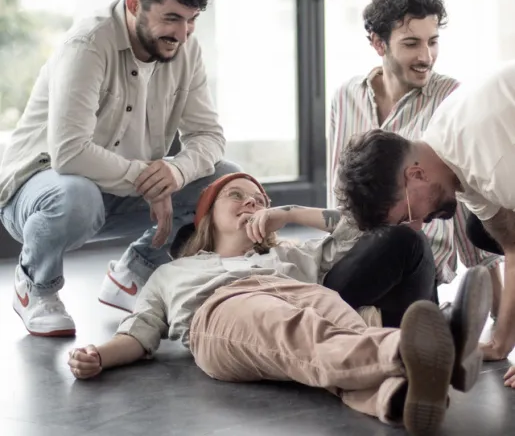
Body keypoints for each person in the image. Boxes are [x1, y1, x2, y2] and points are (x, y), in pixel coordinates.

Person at [66, 172, 492, 436]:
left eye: (259, 199)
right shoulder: (172, 273)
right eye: (236, 195)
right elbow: (139, 333)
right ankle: (419, 350)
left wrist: (287, 212)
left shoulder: (289, 254)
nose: (251, 202)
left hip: (303, 294)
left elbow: (357, 229)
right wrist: (97, 356)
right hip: (223, 310)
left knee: (340, 335)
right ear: (206, 216)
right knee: (303, 334)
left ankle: (400, 395)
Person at [0, 0, 240, 338]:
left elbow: (209, 136)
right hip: (41, 192)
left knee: (224, 182)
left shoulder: (186, 49)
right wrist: (149, 179)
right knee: (75, 195)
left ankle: (133, 276)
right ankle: (35, 286)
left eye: (192, 20)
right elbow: (70, 152)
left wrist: (176, 173)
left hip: (119, 192)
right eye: (172, 18)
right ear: (134, 4)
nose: (182, 34)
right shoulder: (87, 45)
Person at [327, 0, 502, 323]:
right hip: (361, 257)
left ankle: (416, 330)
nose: (426, 57)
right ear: (378, 43)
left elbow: (466, 202)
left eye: (432, 42)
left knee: (405, 239)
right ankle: (424, 331)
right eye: (411, 44)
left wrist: (500, 327)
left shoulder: (450, 98)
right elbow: (342, 199)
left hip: (417, 265)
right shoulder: (346, 97)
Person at [336, 59, 515, 361]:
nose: (418, 226)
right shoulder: (449, 151)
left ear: (416, 175)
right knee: (483, 230)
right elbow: (512, 246)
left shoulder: (492, 166)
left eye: (408, 215)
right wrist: (500, 344)